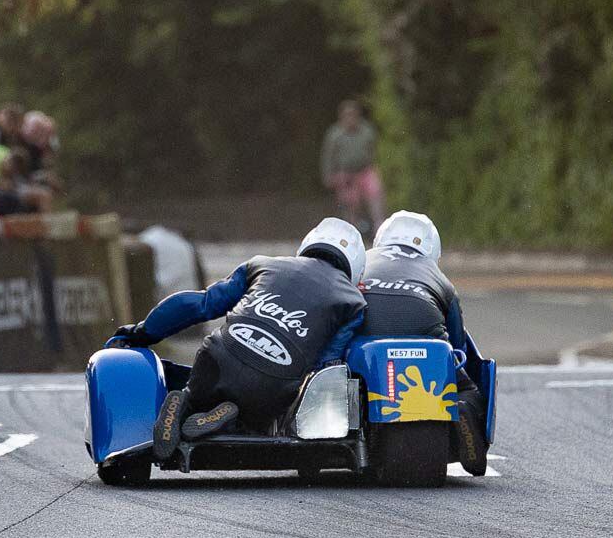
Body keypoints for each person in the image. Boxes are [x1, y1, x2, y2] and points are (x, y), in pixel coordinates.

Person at [111, 218, 369, 460]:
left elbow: (200, 304)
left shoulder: (262, 264)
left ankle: (188, 401)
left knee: (200, 383)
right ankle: (235, 419)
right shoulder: (353, 302)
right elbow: (327, 364)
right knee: (268, 410)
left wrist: (142, 332)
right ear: (355, 269)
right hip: (272, 388)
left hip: (215, 358)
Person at [359, 210, 487, 476]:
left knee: (343, 367)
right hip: (425, 329)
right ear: (432, 250)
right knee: (466, 387)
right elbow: (458, 343)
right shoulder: (439, 278)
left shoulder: (362, 261)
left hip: (365, 335)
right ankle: (461, 405)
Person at [320, 99, 384, 232]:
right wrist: (329, 175)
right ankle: (352, 230)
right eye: (347, 115)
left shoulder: (367, 131)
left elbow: (375, 150)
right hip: (346, 173)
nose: (350, 119)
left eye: (353, 115)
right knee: (350, 204)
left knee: (375, 195)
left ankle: (379, 227)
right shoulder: (335, 134)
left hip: (365, 170)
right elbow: (328, 156)